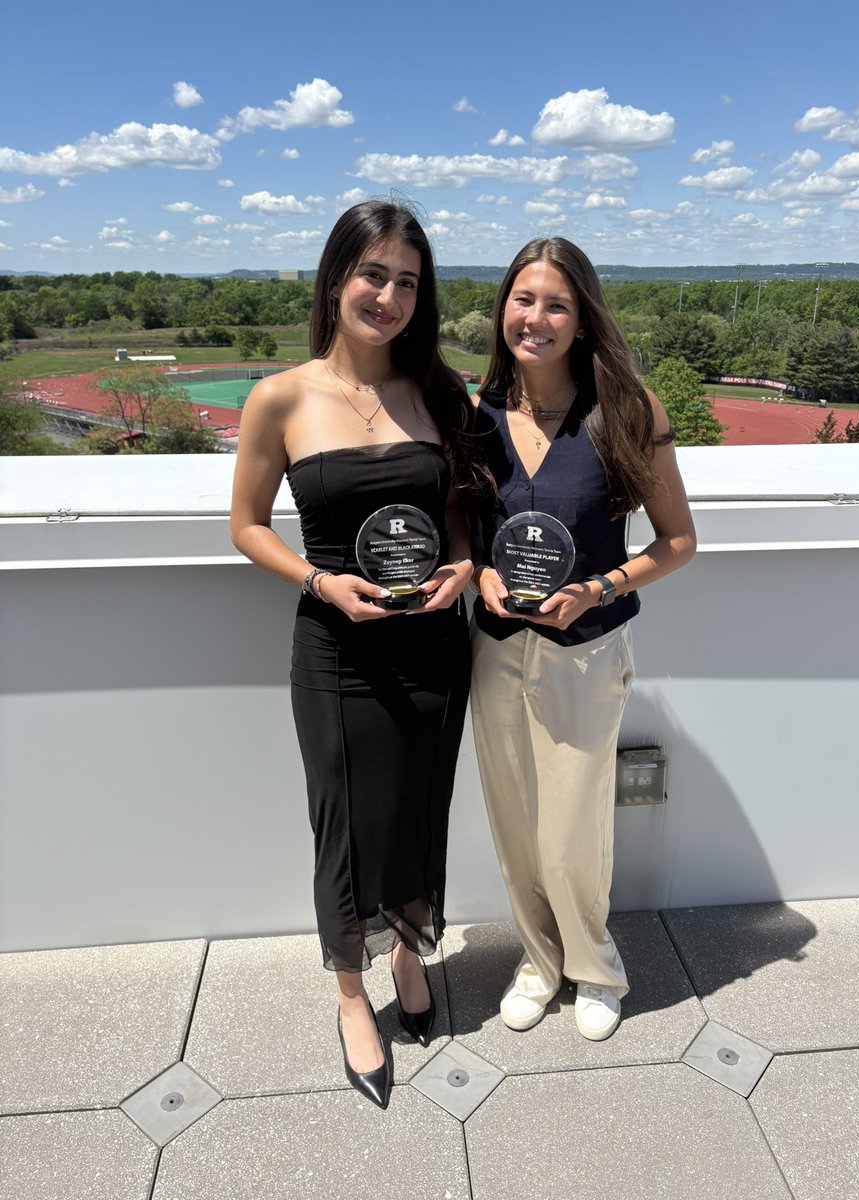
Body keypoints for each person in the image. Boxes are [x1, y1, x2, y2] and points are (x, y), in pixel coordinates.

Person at [230, 200, 478, 1109]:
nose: (389, 296)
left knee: (419, 810)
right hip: (336, 649)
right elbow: (246, 525)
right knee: (343, 826)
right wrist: (317, 580)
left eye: (408, 281)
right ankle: (349, 996)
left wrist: (464, 563)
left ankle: (411, 954)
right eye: (374, 274)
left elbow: (458, 513)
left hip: (434, 645)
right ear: (337, 278)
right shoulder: (281, 397)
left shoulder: (440, 393)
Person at [470, 237, 696, 1041]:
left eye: (556, 304)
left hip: (587, 651)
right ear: (503, 308)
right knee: (515, 824)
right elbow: (465, 528)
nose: (536, 318)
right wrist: (479, 571)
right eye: (523, 299)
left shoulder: (628, 411)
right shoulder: (476, 415)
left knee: (572, 830)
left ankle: (596, 969)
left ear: (583, 317)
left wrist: (598, 589)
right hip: (496, 650)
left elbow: (677, 543)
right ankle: (538, 962)